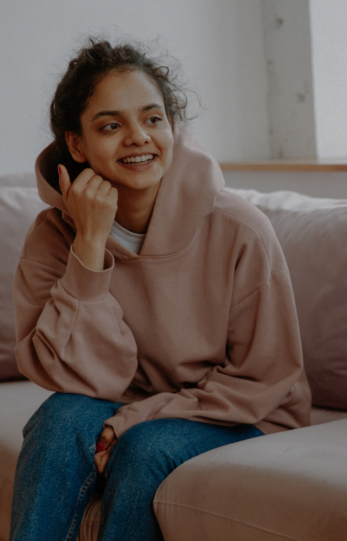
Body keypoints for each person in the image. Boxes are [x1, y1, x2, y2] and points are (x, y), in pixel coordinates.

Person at [10, 39, 310, 541]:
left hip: (245, 414)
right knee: (60, 418)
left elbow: (265, 376)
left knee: (145, 447)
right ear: (77, 145)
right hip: (125, 402)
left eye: (152, 119)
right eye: (111, 125)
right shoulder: (53, 236)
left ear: (173, 126)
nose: (137, 138)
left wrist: (137, 416)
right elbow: (65, 375)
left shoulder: (240, 229)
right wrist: (89, 246)